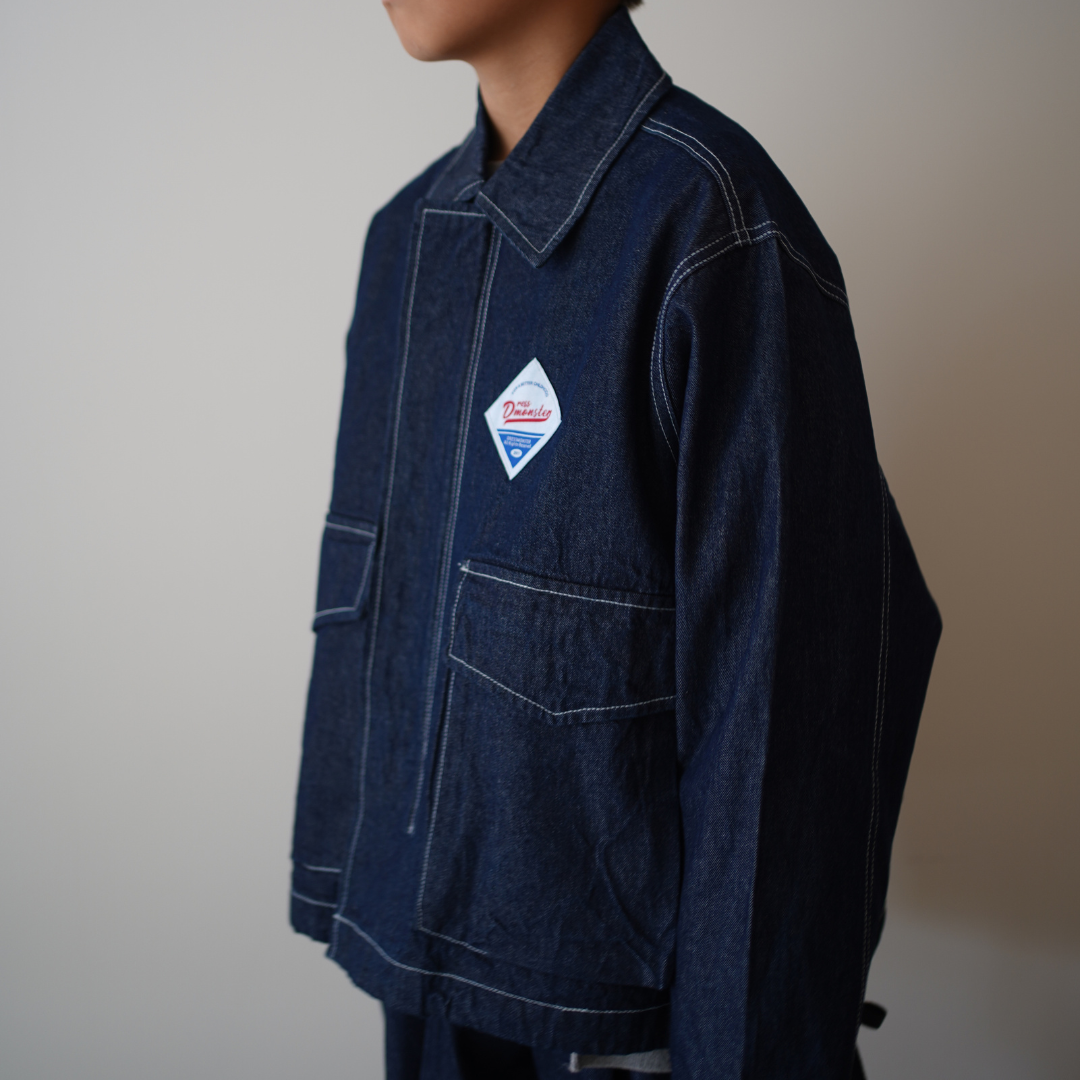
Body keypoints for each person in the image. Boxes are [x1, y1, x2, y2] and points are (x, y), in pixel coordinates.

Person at [289, 2, 942, 1077]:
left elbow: (785, 725)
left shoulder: (712, 222)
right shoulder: (406, 243)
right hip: (429, 981)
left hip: (625, 1033)